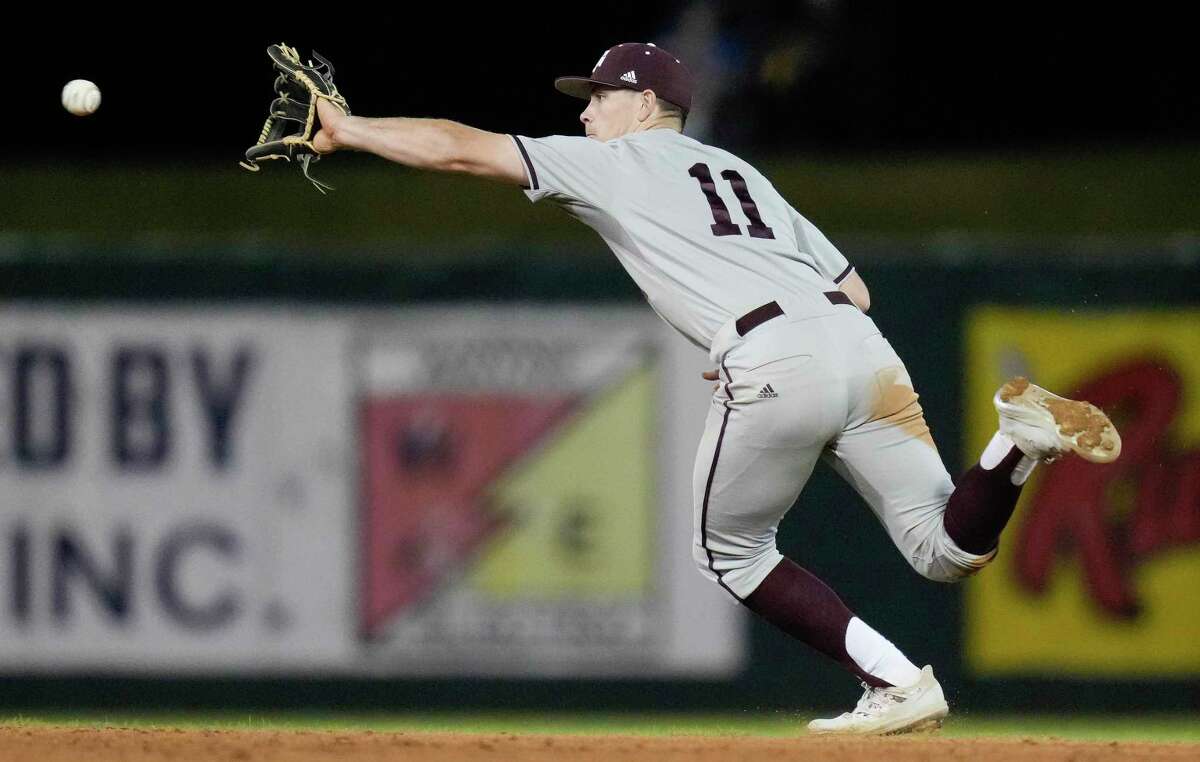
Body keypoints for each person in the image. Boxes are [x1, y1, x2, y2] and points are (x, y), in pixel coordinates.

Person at [309, 42, 1121, 734]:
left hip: (776, 356)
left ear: (643, 103)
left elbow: (458, 146)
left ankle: (896, 683)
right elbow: (859, 289)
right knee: (945, 551)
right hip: (859, 344)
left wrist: (349, 129)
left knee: (724, 552)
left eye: (597, 98)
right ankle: (1015, 442)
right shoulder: (741, 172)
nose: (585, 115)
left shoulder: (612, 160)